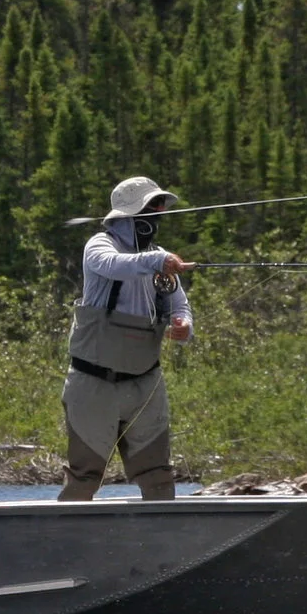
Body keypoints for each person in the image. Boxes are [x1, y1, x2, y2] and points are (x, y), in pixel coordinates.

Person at [60, 176, 192, 501]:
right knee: (84, 477)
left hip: (145, 383)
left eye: (160, 206)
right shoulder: (99, 245)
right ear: (131, 211)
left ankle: (163, 533)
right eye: (153, 205)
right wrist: (157, 261)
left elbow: (179, 304)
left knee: (158, 476)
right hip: (94, 384)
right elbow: (113, 265)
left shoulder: (159, 256)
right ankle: (65, 531)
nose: (159, 212)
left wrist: (183, 325)